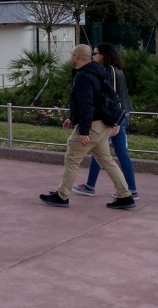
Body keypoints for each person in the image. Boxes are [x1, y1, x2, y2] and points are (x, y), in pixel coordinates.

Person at [39, 44, 135, 210]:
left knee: (72, 158)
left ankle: (62, 196)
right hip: (103, 124)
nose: (70, 58)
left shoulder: (83, 76)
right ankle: (125, 195)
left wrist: (83, 131)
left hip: (92, 126)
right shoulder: (97, 72)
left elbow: (87, 104)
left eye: (71, 55)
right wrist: (73, 119)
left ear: (76, 57)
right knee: (106, 160)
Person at [73, 43, 139, 199]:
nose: (93, 57)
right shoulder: (117, 71)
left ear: (103, 55)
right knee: (105, 152)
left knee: (105, 152)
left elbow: (111, 98)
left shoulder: (108, 72)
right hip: (120, 116)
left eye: (95, 54)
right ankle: (129, 188)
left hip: (112, 118)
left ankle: (93, 186)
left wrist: (114, 123)